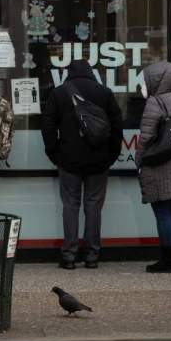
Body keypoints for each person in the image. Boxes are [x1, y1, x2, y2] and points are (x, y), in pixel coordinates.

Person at [42, 59, 124, 269]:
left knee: (70, 205)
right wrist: (110, 156)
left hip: (68, 159)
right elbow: (117, 128)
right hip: (98, 161)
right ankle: (92, 255)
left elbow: (48, 127)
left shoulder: (59, 93)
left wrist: (55, 154)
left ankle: (69, 255)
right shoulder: (104, 93)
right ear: (90, 72)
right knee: (93, 206)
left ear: (69, 73)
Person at [136, 61, 171, 273]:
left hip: (158, 166)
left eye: (146, 80)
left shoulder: (154, 102)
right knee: (169, 214)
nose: (143, 85)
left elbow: (146, 138)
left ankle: (168, 261)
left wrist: (139, 161)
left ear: (155, 79)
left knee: (162, 214)